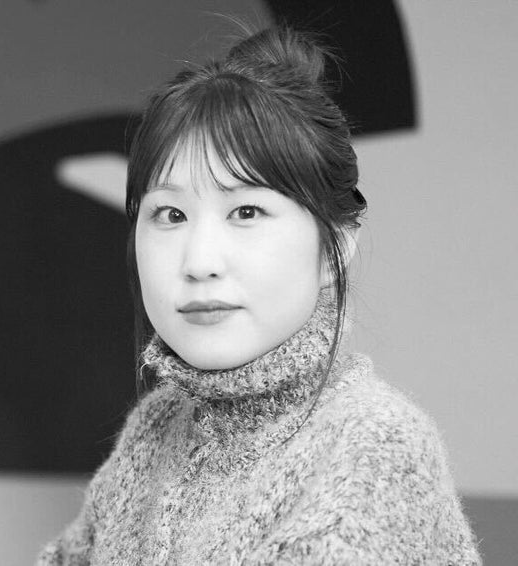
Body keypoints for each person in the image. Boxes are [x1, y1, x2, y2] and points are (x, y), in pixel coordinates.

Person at [36, 25, 482, 565]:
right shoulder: (157, 428)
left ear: (335, 247)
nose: (199, 261)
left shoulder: (372, 448)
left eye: (246, 211)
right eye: (170, 214)